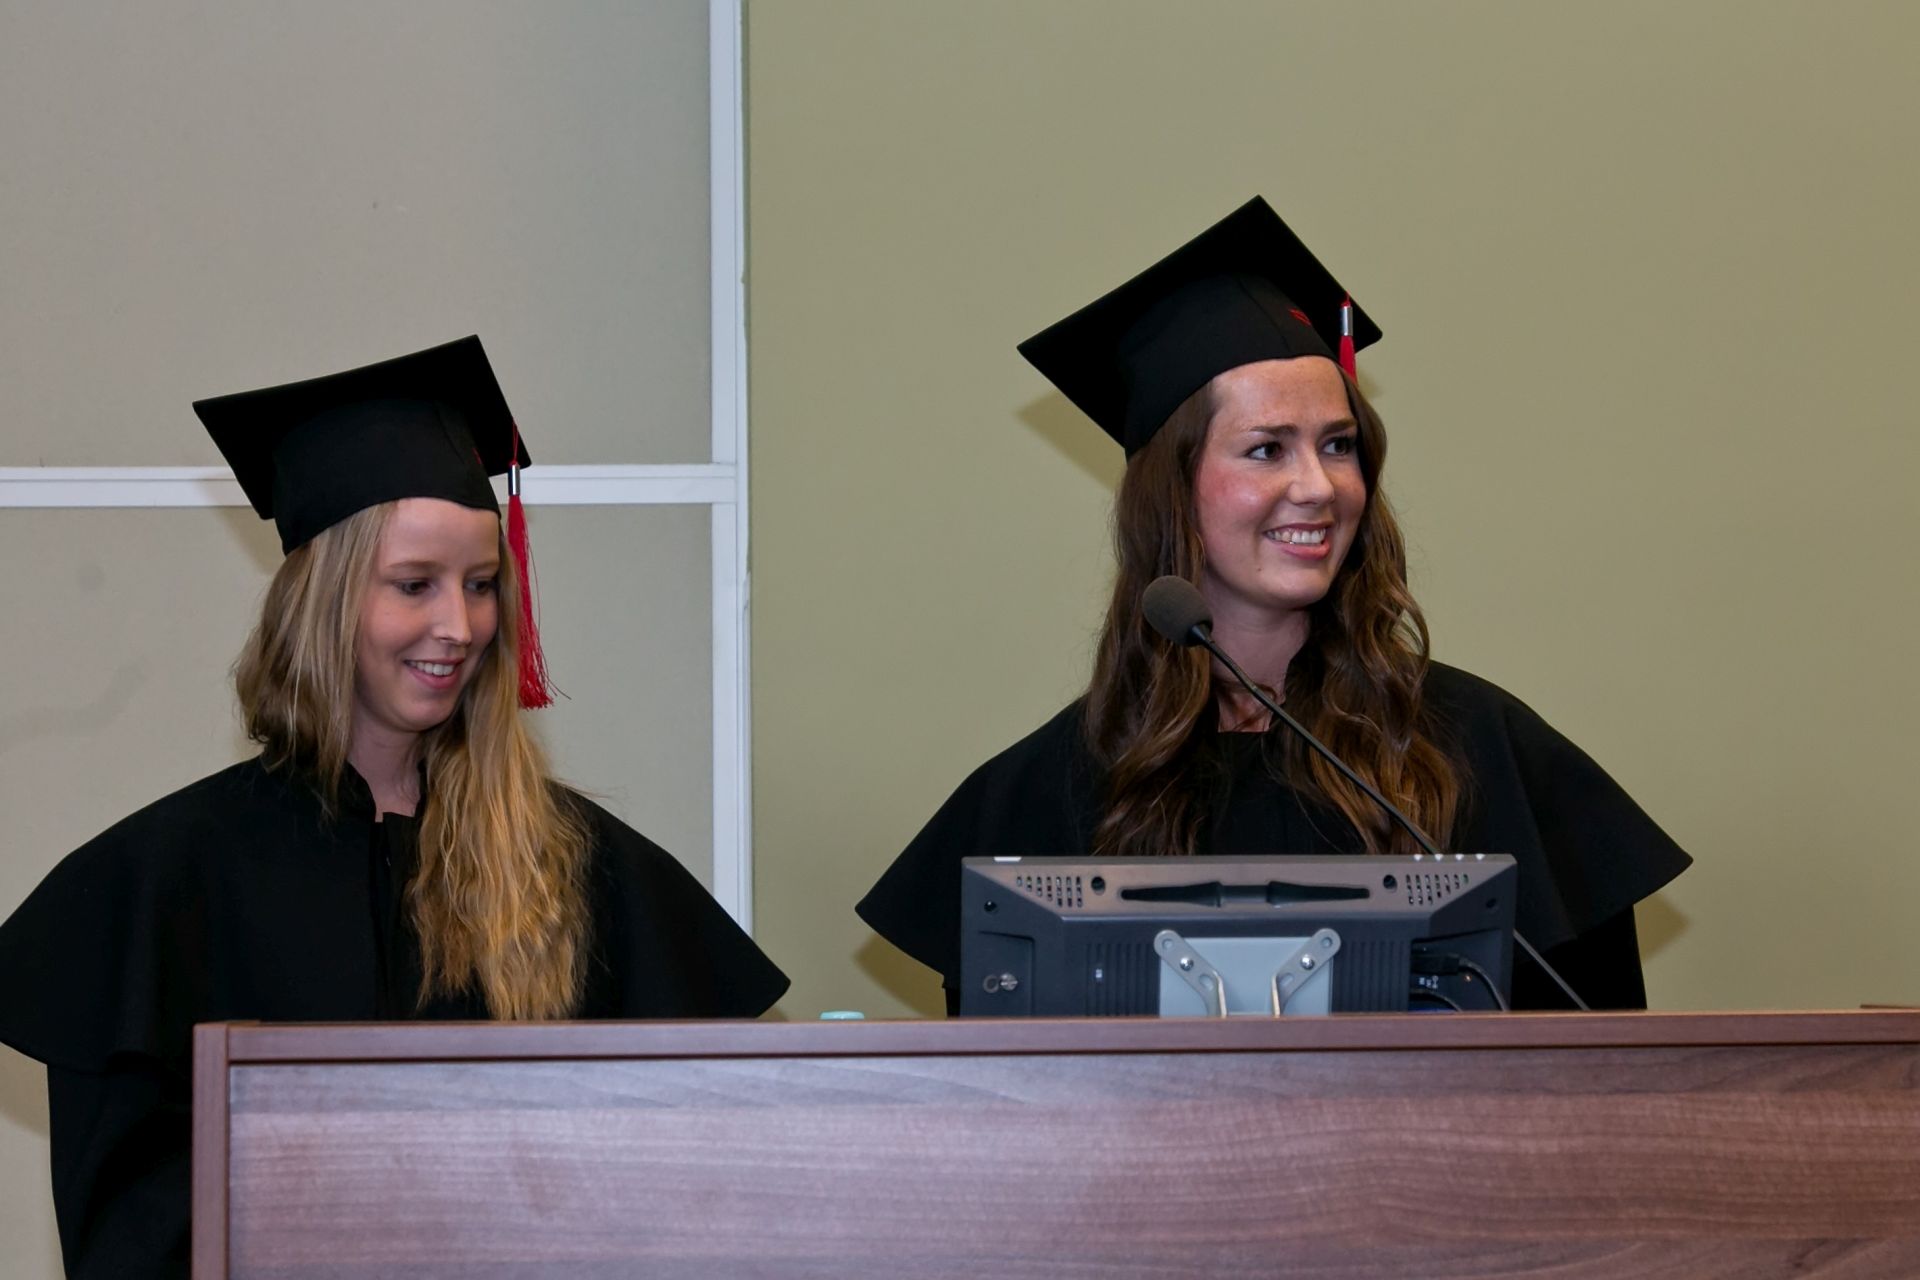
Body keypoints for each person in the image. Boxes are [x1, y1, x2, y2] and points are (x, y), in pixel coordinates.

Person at [0, 336, 788, 1279]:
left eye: (481, 585)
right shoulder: (167, 876)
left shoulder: (578, 862)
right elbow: (133, 1232)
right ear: (323, 602)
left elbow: (697, 1172)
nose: (459, 626)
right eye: (415, 585)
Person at [857, 198, 1691, 1014]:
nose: (1319, 486)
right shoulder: (1045, 794)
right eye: (1266, 450)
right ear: (1171, 493)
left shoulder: (1480, 750)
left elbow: (1610, 1071)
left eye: (1339, 445)